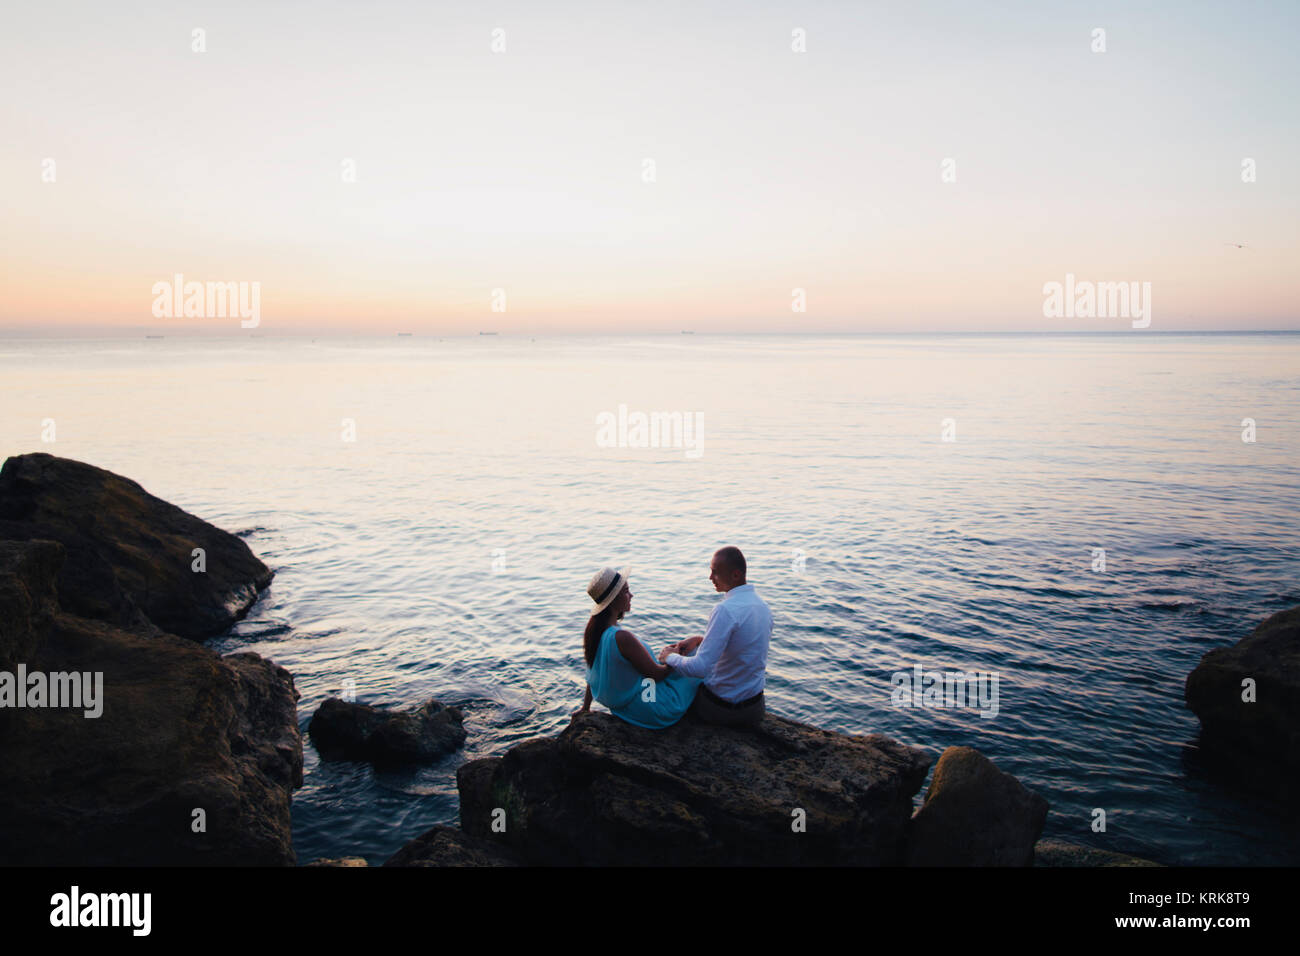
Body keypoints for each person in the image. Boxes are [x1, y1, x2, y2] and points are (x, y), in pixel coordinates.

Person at [574, 566, 702, 729]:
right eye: (626, 591)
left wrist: (585, 708)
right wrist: (671, 658)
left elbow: (592, 675)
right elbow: (657, 675)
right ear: (613, 600)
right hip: (652, 706)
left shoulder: (595, 632)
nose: (631, 595)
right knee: (699, 659)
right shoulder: (621, 637)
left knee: (688, 656)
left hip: (626, 710)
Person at [658, 546, 771, 727]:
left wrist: (669, 657)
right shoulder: (763, 607)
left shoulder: (724, 609)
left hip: (722, 711)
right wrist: (699, 639)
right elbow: (741, 644)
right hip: (754, 709)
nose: (710, 578)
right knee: (695, 652)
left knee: (677, 680)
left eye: (715, 572)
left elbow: (700, 668)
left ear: (735, 575)